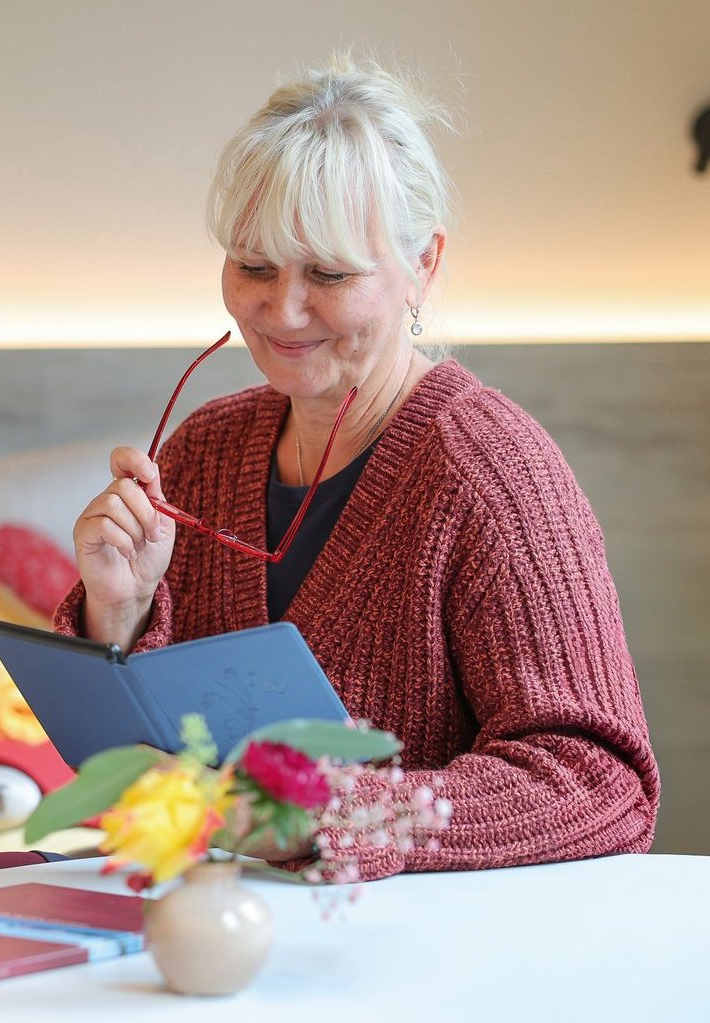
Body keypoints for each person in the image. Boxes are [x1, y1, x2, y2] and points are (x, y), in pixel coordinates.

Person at [59, 57, 659, 883]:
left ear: (424, 265)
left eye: (330, 274)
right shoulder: (202, 451)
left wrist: (323, 811)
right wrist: (117, 617)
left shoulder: (491, 473)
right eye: (255, 266)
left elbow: (602, 783)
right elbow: (132, 779)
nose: (283, 310)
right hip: (219, 928)